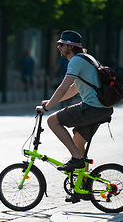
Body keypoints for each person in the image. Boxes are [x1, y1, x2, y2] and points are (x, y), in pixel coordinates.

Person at [35, 30, 113, 178]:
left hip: (92, 108)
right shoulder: (86, 58)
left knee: (52, 120)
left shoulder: (76, 61)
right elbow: (73, 89)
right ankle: (82, 187)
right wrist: (52, 101)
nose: (58, 47)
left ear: (70, 47)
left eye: (61, 44)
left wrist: (47, 108)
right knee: (78, 145)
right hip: (102, 109)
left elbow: (63, 87)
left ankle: (76, 160)